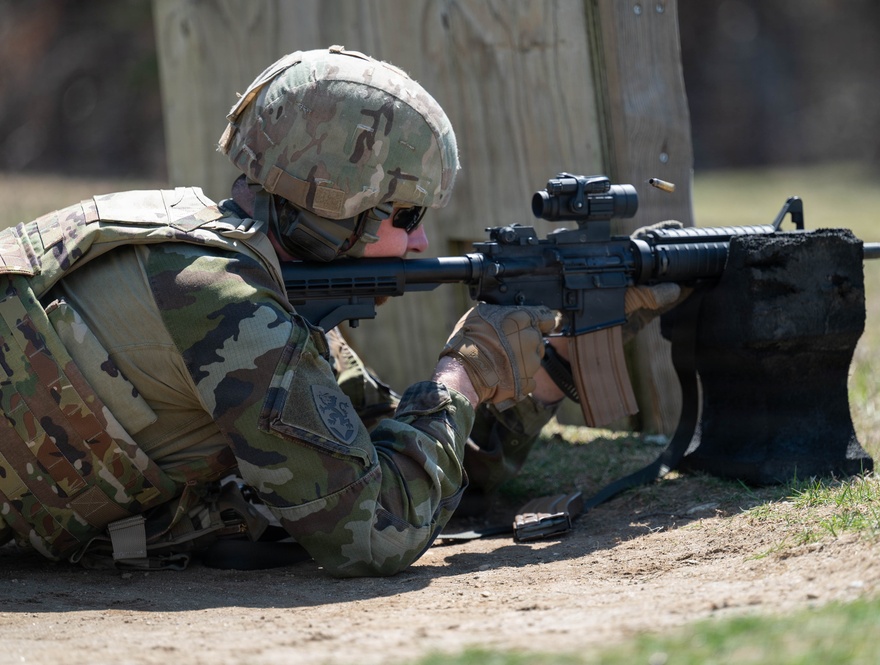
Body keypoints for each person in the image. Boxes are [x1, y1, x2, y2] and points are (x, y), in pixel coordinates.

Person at [0, 46, 679, 576]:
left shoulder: (248, 273)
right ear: (335, 209)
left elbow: (418, 472)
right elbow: (373, 531)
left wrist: (550, 363)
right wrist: (462, 377)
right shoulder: (224, 306)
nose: (418, 240)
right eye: (405, 214)